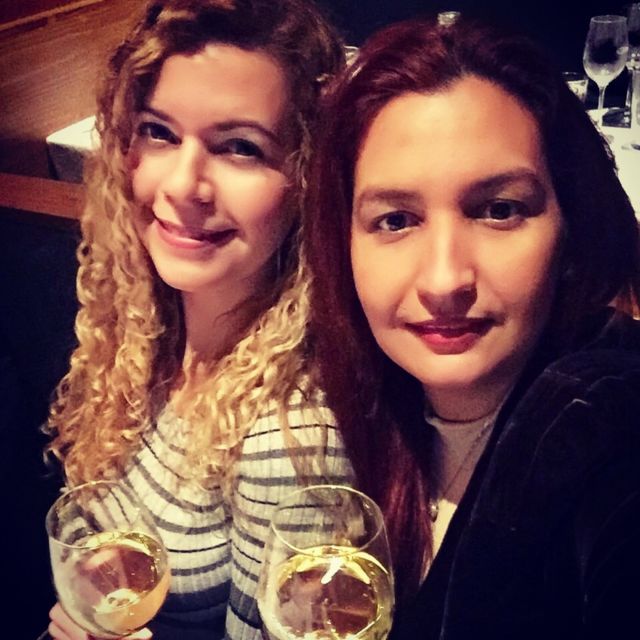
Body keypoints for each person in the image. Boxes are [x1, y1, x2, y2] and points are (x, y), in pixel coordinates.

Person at [305, 13, 640, 640]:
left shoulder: (598, 419)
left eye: (499, 210)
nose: (444, 280)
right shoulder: (362, 407)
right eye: (396, 220)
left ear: (570, 227)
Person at [43, 1, 353, 639]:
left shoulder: (288, 440)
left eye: (240, 147)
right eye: (159, 132)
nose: (184, 185)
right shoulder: (140, 321)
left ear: (307, 179)